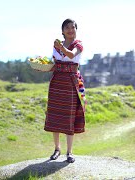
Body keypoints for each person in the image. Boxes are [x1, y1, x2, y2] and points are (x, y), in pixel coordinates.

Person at [44, 18, 86, 163]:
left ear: (76, 30)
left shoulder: (78, 45)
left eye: (72, 27)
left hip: (70, 83)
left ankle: (70, 152)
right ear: (62, 31)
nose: (70, 30)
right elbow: (54, 63)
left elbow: (71, 55)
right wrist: (42, 67)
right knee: (55, 115)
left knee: (69, 117)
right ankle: (57, 149)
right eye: (66, 27)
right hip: (56, 82)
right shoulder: (56, 45)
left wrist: (62, 48)